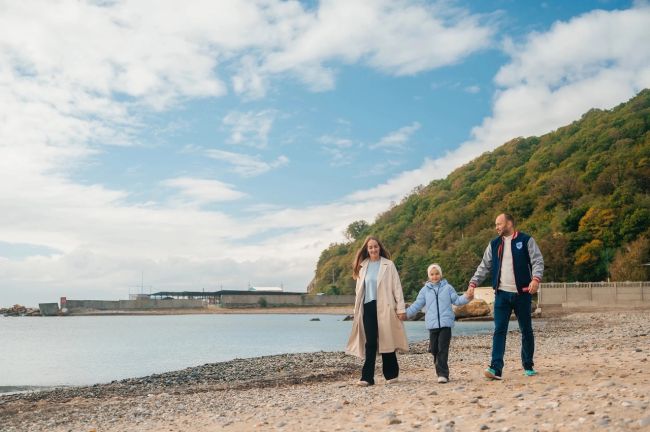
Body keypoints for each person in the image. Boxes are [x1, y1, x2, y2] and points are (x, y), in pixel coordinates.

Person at [468, 213, 544, 380]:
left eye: (499, 224)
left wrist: (536, 279)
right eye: (496, 225)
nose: (496, 227)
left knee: (526, 330)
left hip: (522, 294)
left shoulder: (526, 240)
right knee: (499, 330)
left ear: (509, 223)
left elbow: (537, 261)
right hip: (501, 295)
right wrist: (473, 283)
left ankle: (528, 365)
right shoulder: (494, 244)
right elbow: (484, 266)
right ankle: (496, 368)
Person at [345, 236, 409, 386]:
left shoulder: (389, 265)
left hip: (385, 306)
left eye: (375, 246)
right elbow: (359, 291)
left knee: (387, 339)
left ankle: (391, 374)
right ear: (367, 250)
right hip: (367, 308)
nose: (373, 249)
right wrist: (356, 312)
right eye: (370, 247)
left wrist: (401, 308)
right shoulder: (363, 266)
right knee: (370, 342)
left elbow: (397, 287)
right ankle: (367, 378)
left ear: (380, 247)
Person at [403, 264, 474, 383]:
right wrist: (406, 314)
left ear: (440, 275)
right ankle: (432, 349)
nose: (434, 276)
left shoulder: (448, 288)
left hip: (446, 324)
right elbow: (417, 305)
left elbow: (457, 300)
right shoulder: (425, 290)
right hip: (432, 325)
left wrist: (467, 297)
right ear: (428, 276)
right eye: (432, 274)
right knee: (435, 349)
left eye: (437, 274)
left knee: (442, 349)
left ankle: (443, 374)